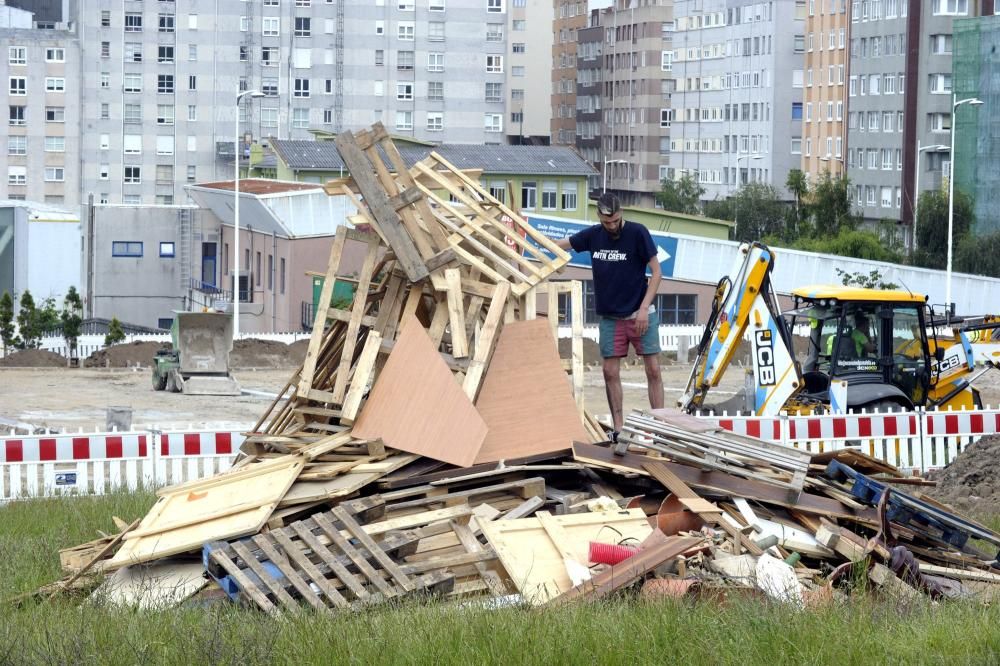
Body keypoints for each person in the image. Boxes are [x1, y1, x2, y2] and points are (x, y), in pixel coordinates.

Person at [554, 192, 663, 443]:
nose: (612, 226)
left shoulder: (637, 233)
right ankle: (619, 428)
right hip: (611, 318)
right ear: (599, 217)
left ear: (620, 214)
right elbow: (562, 244)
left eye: (615, 221)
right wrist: (531, 239)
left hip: (640, 312)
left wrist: (645, 308)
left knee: (654, 369)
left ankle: (659, 426)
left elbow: (657, 273)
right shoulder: (593, 235)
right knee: (609, 371)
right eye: (607, 222)